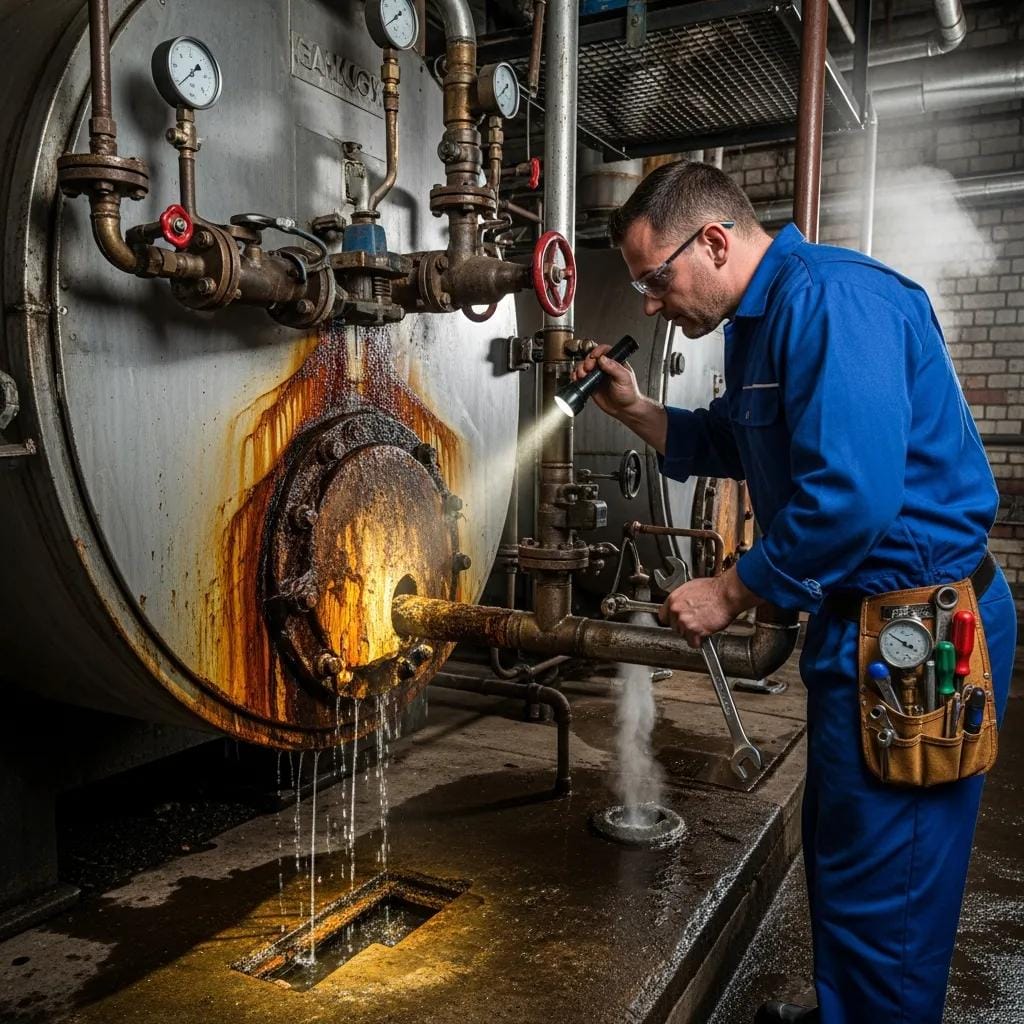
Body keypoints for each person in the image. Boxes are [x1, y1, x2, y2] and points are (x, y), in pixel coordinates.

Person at [575, 161, 1017, 1024]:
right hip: (864, 622)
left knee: (892, 877)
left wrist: (731, 590)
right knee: (846, 846)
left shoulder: (831, 302)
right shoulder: (762, 318)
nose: (651, 306)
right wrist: (637, 410)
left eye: (655, 279)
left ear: (713, 241)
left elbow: (851, 497)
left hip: (917, 632)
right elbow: (739, 441)